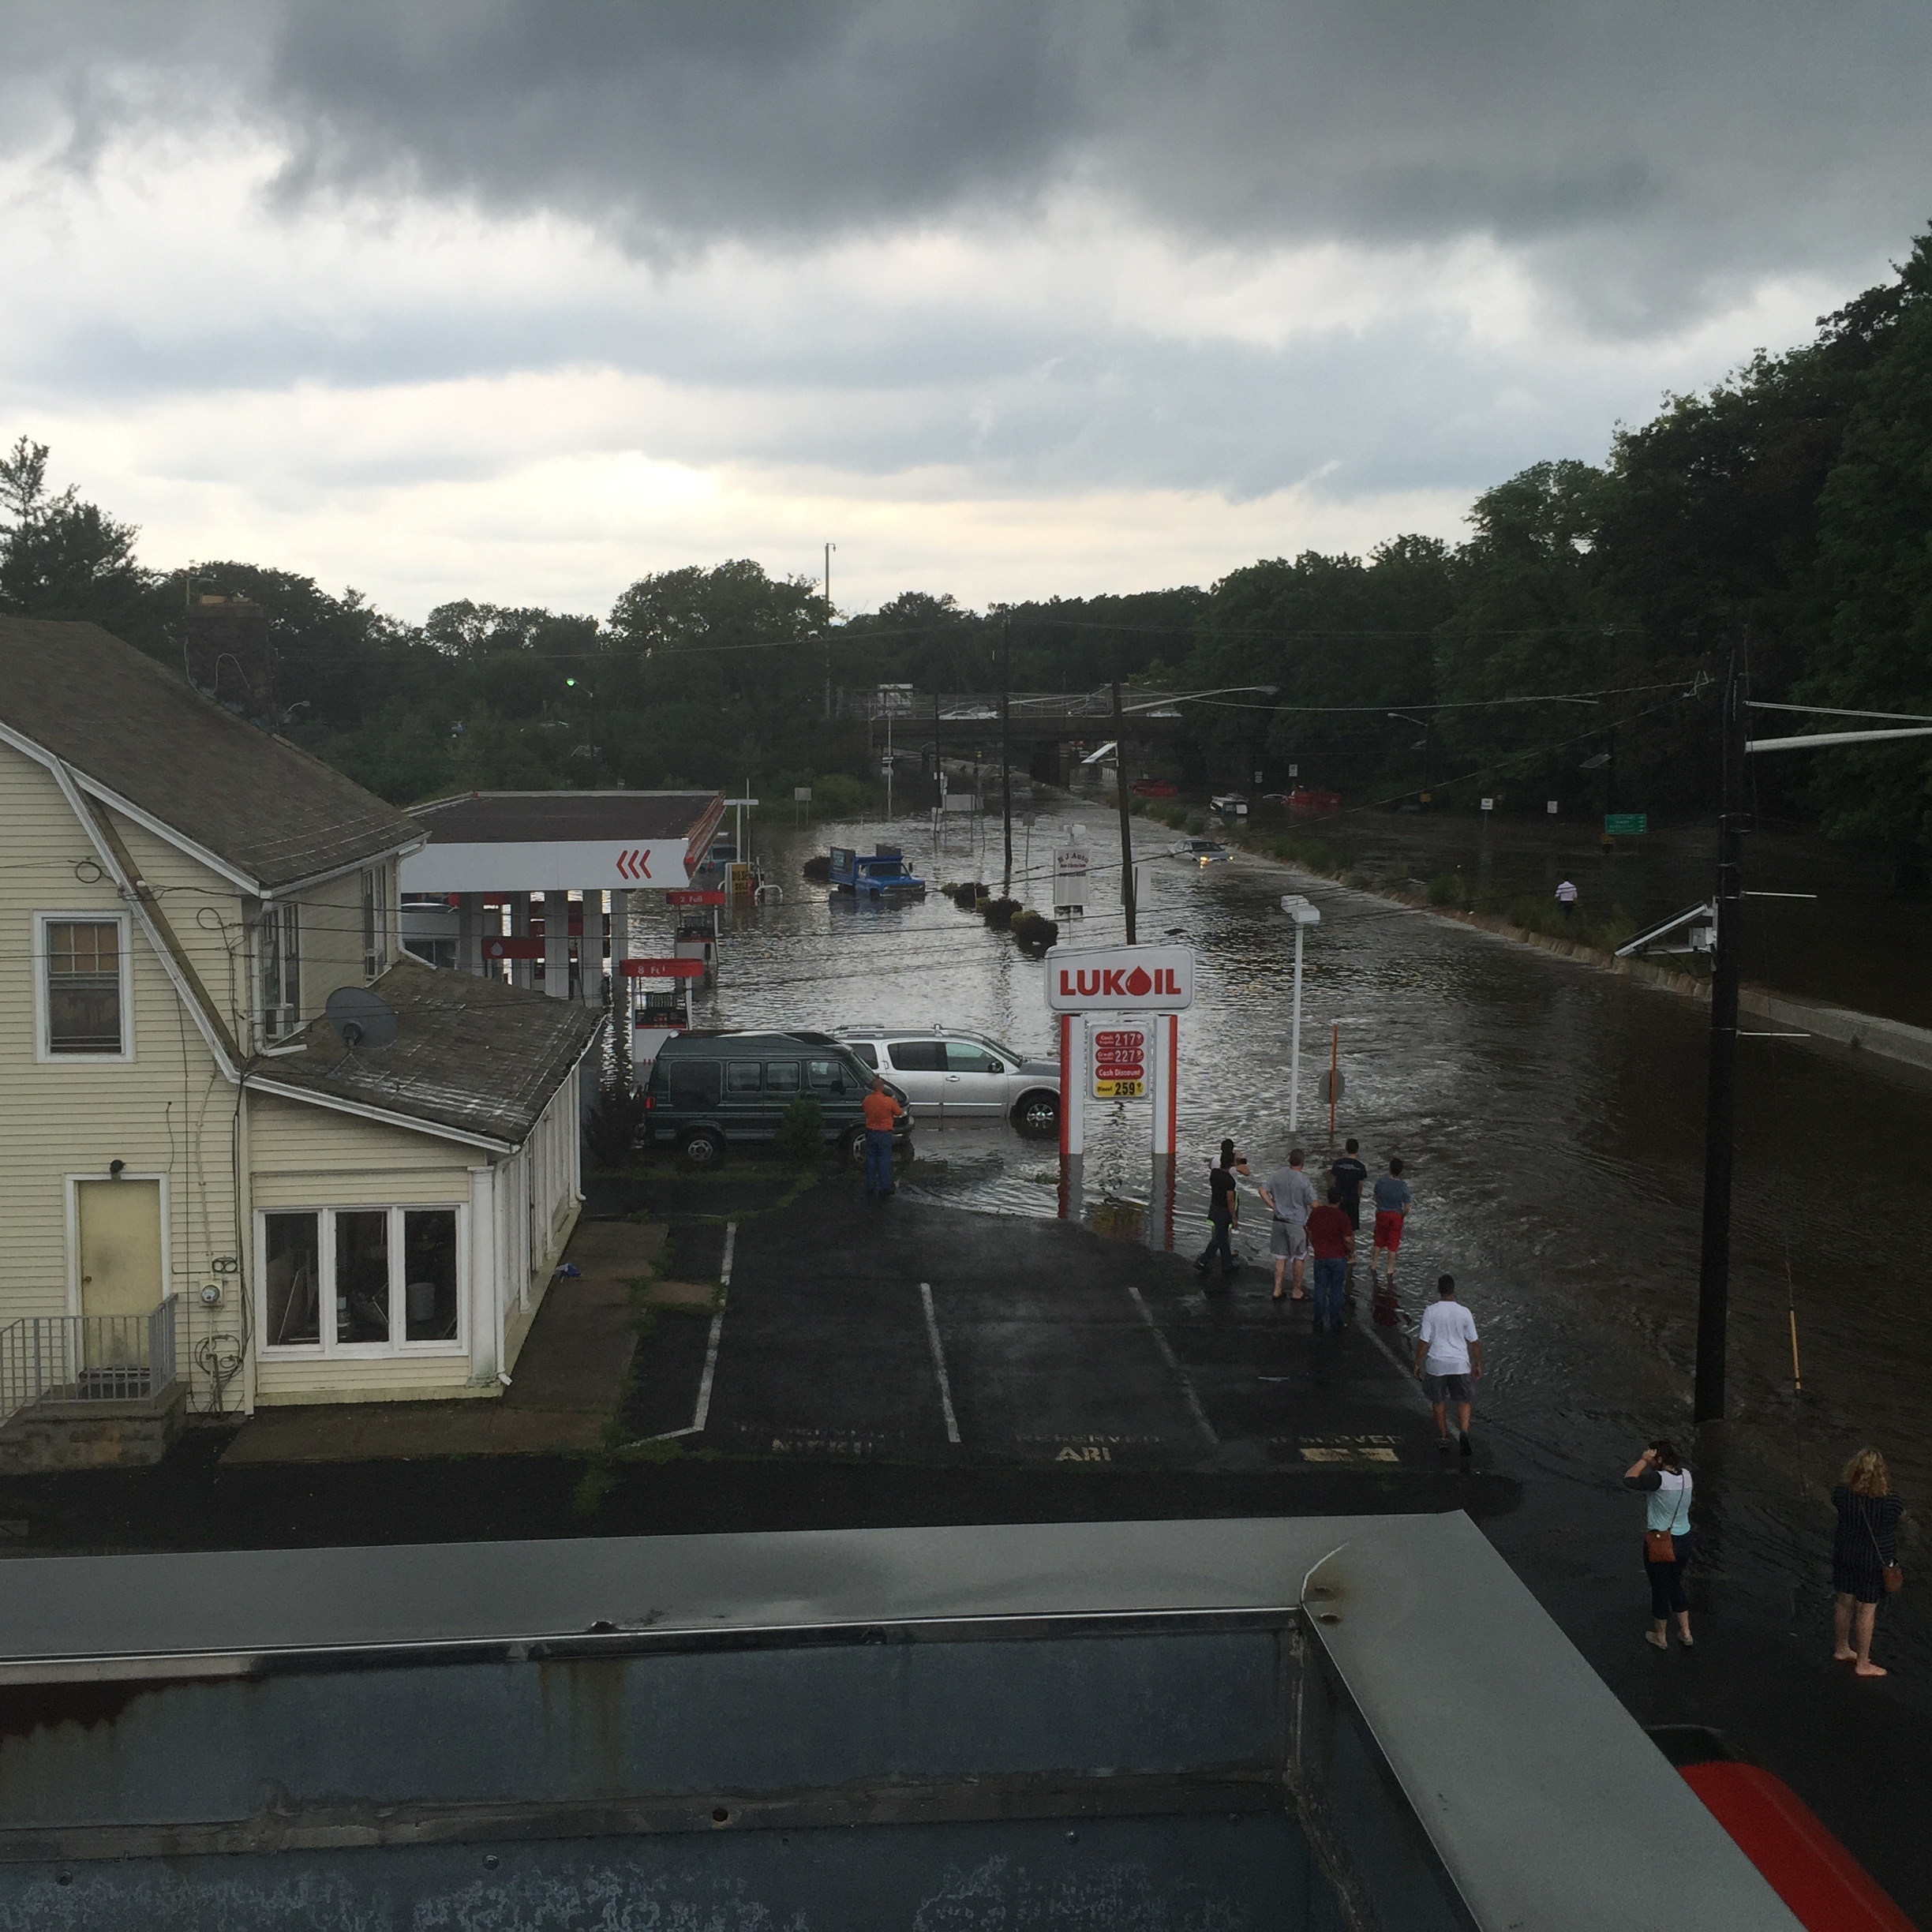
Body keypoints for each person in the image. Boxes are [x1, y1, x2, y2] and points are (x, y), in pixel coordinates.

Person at [1832, 1447, 1904, 1679]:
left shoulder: (1842, 1494)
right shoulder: (1891, 1502)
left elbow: (1839, 1504)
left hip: (1845, 1554)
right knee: (1866, 1610)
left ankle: (1842, 1648)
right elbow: (1895, 1521)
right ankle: (1863, 1663)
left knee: (1844, 1602)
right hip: (1874, 1561)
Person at [1623, 1440, 1694, 1650]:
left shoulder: (1658, 1479)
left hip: (1661, 1541)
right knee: (1675, 1582)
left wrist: (1643, 1461)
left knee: (1660, 1587)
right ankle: (1686, 1633)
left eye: (1653, 1458)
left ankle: (1660, 1636)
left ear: (1660, 1459)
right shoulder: (1687, 1476)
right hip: (1685, 1538)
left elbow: (1629, 1479)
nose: (1650, 1461)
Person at [1411, 1274, 1479, 1454]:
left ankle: (1443, 1436)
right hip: (1460, 1363)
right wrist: (1477, 1364)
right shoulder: (1464, 1312)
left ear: (1438, 1290)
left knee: (1438, 1400)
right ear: (1453, 1290)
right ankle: (1464, 1431)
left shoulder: (1431, 1311)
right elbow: (1474, 1342)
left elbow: (1423, 1340)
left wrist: (1417, 1363)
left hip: (1437, 1362)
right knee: (1464, 1400)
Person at [1258, 1150, 1316, 1304]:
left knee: (1280, 1257)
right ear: (1302, 1163)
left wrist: (1273, 1206)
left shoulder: (1278, 1175)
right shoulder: (1304, 1181)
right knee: (1299, 1257)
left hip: (1278, 1221)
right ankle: (1297, 1290)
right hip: (1296, 1223)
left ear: (1289, 1160)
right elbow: (1314, 1204)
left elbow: (1262, 1190)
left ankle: (1277, 1289)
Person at [1305, 1185, 1355, 1334]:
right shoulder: (1343, 1217)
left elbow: (1309, 1230)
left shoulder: (1317, 1213)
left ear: (1327, 1197)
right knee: (1336, 1290)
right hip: (1338, 1257)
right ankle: (1335, 1321)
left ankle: (1318, 1320)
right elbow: (1347, 1239)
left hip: (1321, 1256)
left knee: (1320, 1288)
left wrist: (1315, 1243)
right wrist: (1351, 1252)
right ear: (1340, 1200)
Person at [1195, 1146, 1241, 1279]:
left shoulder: (1214, 1174)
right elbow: (1230, 1200)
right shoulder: (1229, 1180)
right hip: (1224, 1211)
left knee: (1223, 1237)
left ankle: (1227, 1264)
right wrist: (1234, 1217)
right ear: (1232, 1163)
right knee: (1220, 1238)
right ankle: (1203, 1260)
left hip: (1214, 1207)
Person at [1369, 1158, 1410, 1287]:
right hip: (1396, 1216)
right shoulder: (1403, 1186)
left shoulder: (1381, 1181)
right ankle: (1390, 1269)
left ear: (1389, 1168)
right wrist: (1401, 1215)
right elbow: (1407, 1206)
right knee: (1393, 1244)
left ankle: (1374, 1263)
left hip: (1382, 1213)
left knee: (1378, 1239)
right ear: (1401, 1171)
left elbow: (1375, 1197)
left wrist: (1381, 1206)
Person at [860, 1076, 902, 1196]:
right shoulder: (888, 1101)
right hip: (884, 1133)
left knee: (871, 1159)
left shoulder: (867, 1100)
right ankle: (885, 1187)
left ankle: (870, 1185)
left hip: (871, 1132)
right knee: (884, 1160)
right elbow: (898, 1112)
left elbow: (864, 1108)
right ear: (882, 1087)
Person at [1331, 1138, 1368, 1237]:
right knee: (1350, 1230)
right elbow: (1359, 1187)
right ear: (1357, 1150)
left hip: (1339, 1200)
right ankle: (1351, 1251)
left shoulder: (1338, 1164)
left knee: (1338, 1228)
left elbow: (1333, 1182)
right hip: (1353, 1200)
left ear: (1346, 1148)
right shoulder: (1360, 1167)